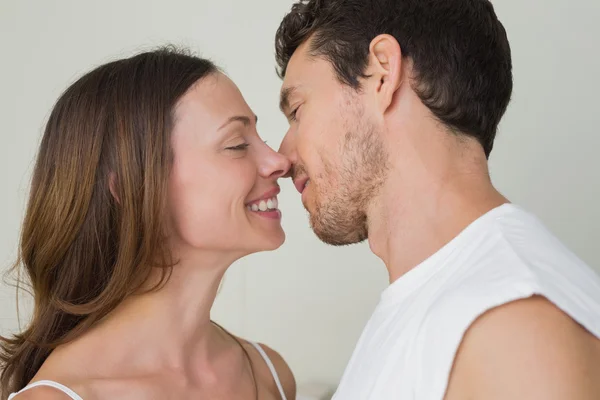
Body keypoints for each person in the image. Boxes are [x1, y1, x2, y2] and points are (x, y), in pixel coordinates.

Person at [275, 0, 600, 399]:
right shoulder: (439, 302)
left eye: (296, 109)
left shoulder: (512, 329)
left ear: (381, 73)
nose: (283, 155)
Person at [1, 47, 295, 400]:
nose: (278, 161)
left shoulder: (268, 374)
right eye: (236, 144)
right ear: (132, 185)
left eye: (258, 139)